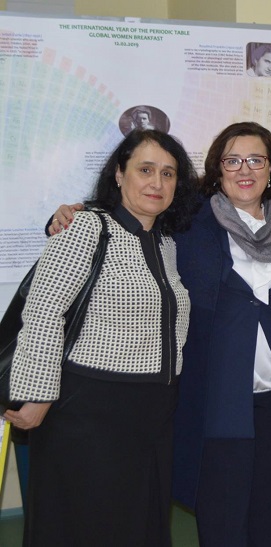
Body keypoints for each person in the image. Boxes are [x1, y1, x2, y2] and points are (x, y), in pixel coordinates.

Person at [48, 122, 271, 546]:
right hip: (217, 398)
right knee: (222, 520)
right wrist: (70, 213)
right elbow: (135, 211)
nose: (244, 169)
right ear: (217, 169)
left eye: (255, 159)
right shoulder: (191, 220)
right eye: (232, 160)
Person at [5, 129, 198, 546]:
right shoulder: (86, 227)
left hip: (152, 413)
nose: (157, 182)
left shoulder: (165, 242)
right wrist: (36, 394)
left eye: (168, 173)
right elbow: (43, 311)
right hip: (90, 412)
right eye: (145, 170)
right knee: (86, 526)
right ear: (119, 174)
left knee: (138, 524)